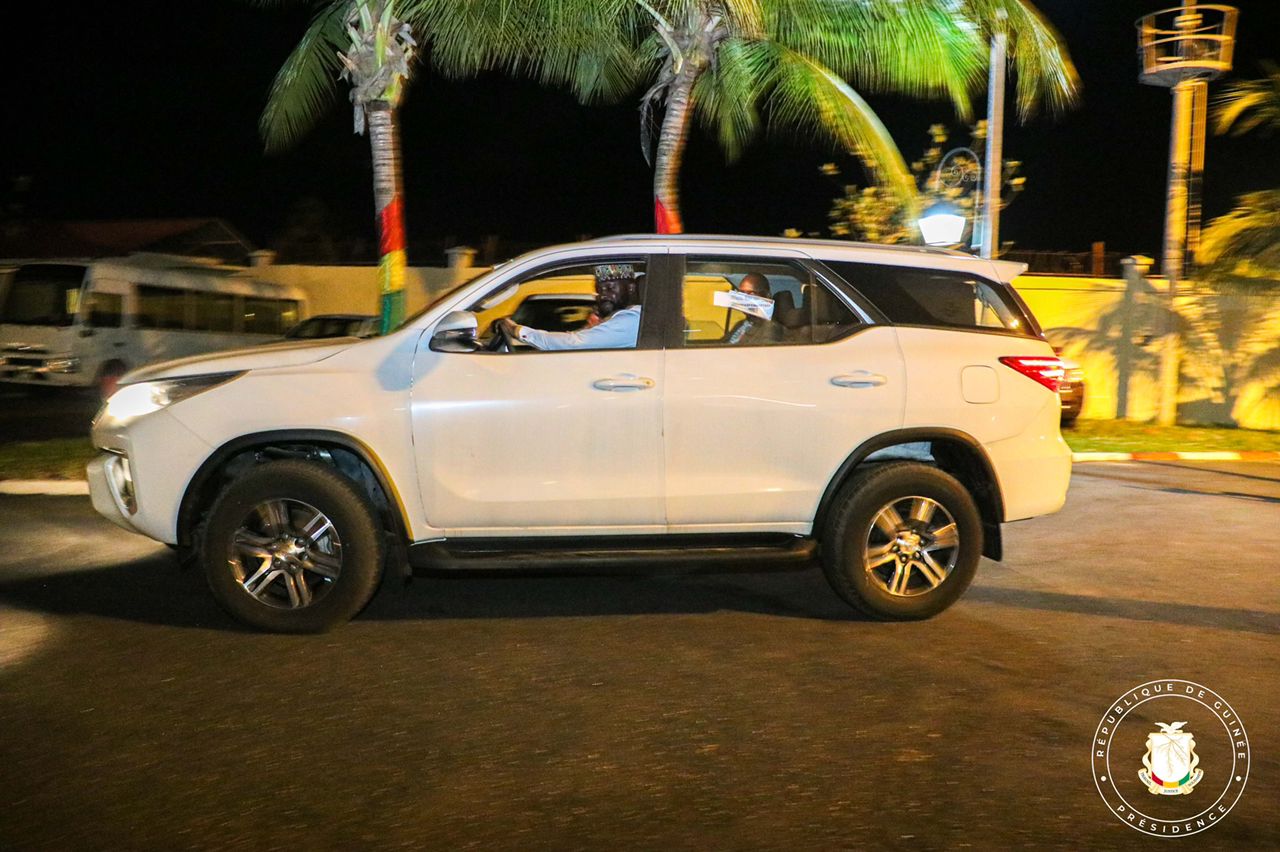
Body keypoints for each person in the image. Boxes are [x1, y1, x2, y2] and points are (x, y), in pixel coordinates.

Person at [497, 265, 640, 350]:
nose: (602, 296)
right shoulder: (629, 317)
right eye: (599, 290)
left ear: (631, 288)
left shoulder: (630, 320)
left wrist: (517, 330)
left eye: (610, 288)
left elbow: (573, 343)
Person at [726, 272, 782, 345]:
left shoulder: (769, 328)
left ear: (766, 296)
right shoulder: (742, 323)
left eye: (751, 294)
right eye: (741, 293)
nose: (744, 299)